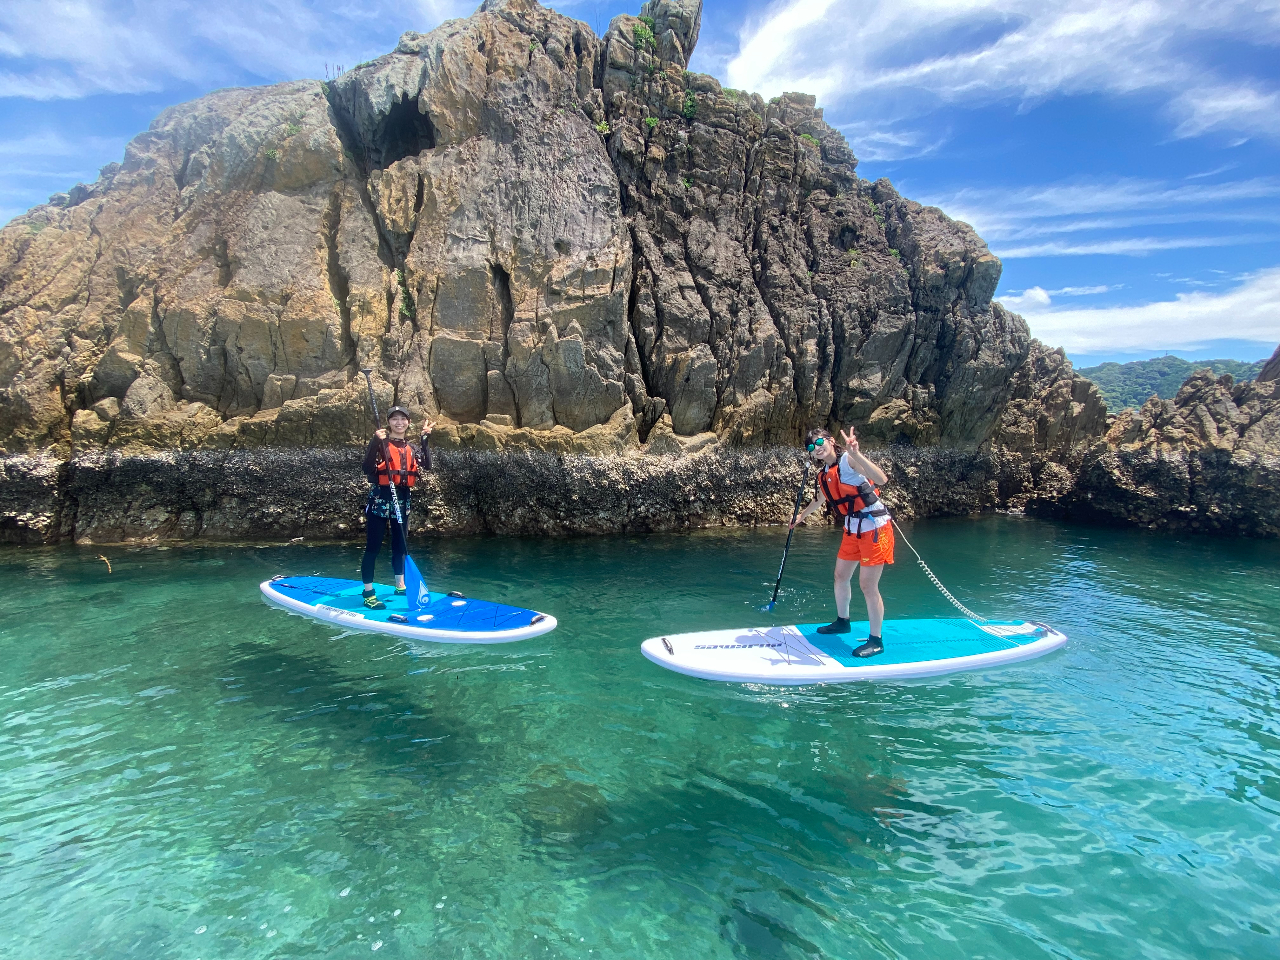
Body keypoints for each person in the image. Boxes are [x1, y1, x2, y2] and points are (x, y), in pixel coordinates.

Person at [791, 426, 893, 657]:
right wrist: (800, 517)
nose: (816, 449)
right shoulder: (824, 474)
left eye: (819, 443)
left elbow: (881, 479)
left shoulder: (848, 461)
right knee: (840, 575)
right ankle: (842, 621)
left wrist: (857, 454)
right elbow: (820, 499)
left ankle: (876, 640)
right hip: (852, 528)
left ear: (830, 441)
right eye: (811, 447)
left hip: (875, 527)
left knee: (867, 585)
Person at [360, 405, 434, 609]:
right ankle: (368, 592)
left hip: (402, 500)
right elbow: (367, 467)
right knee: (373, 546)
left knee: (400, 547)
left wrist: (425, 440)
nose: (399, 422)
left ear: (408, 423)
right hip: (380, 500)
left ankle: (400, 585)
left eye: (403, 419)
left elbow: (427, 465)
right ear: (389, 422)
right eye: (395, 419)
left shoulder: (411, 448)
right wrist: (375, 442)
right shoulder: (381, 443)